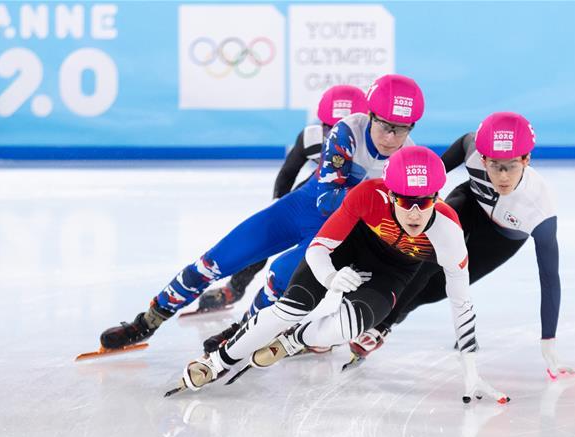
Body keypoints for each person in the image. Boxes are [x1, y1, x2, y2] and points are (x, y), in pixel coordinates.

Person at [98, 74, 424, 353]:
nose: (392, 138)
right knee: (212, 263)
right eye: (385, 126)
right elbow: (326, 199)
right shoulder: (345, 131)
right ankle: (148, 321)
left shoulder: (408, 159)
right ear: (370, 115)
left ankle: (244, 331)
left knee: (279, 278)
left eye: (402, 129)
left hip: (333, 232)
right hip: (304, 208)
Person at [168, 146, 509, 405]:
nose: (416, 212)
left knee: (352, 326)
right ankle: (218, 361)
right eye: (406, 202)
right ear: (390, 194)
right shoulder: (367, 195)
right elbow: (318, 248)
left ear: (437, 197)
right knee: (292, 306)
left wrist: (471, 372)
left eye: (426, 201)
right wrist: (331, 277)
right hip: (346, 251)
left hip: (392, 272)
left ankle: (296, 339)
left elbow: (462, 304)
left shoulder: (448, 232)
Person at [348, 112, 575, 380]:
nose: (502, 177)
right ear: (483, 159)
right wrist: (430, 182)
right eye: (494, 165)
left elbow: (550, 278)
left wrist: (548, 343)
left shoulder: (539, 209)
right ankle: (380, 323)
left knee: (437, 289)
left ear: (526, 160)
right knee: (426, 259)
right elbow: (462, 143)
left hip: (501, 239)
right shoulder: (473, 151)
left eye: (511, 166)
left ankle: (393, 316)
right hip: (468, 204)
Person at [197, 84, 370, 313]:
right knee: (266, 238)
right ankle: (235, 288)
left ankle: (342, 314)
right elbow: (288, 172)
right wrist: (277, 203)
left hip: (354, 202)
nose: (335, 134)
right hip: (318, 190)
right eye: (329, 127)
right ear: (320, 124)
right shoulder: (310, 138)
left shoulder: (377, 147)